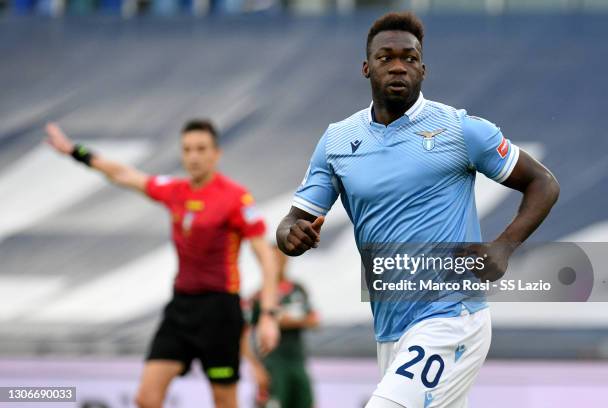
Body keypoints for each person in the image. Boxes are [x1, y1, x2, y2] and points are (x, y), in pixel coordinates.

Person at [276, 11, 559, 408]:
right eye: (385, 57)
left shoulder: (461, 130)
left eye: (409, 58)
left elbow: (543, 183)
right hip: (390, 327)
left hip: (452, 316)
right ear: (365, 67)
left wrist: (505, 246)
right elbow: (295, 220)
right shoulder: (338, 140)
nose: (397, 66)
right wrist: (291, 234)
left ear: (423, 69)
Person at [44, 119, 280, 408]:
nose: (193, 156)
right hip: (180, 310)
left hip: (220, 313)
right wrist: (74, 151)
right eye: (187, 149)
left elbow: (266, 258)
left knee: (224, 402)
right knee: (146, 399)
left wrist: (268, 314)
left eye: (201, 149)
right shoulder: (175, 190)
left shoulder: (236, 198)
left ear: (216, 153)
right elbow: (123, 174)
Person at [242, 245, 319, 408]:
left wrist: (283, 320)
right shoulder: (258, 296)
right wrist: (256, 368)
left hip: (298, 363)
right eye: (273, 259)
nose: (278, 263)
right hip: (273, 366)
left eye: (281, 258)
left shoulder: (298, 289)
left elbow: (315, 320)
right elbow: (243, 335)